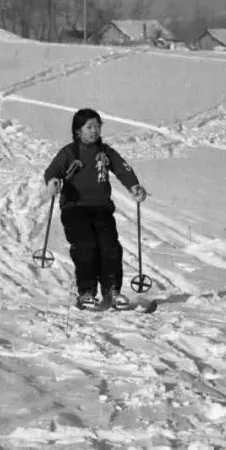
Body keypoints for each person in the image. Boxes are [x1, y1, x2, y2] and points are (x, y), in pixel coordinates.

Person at [43, 108, 148, 309]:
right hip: (74, 208)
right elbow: (52, 171)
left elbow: (122, 168)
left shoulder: (105, 152)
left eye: (97, 127)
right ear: (77, 131)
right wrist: (53, 182)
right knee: (85, 247)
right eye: (89, 127)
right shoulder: (69, 153)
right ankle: (86, 292)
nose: (94, 131)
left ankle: (112, 291)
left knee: (110, 247)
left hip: (101, 208)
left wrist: (134, 186)